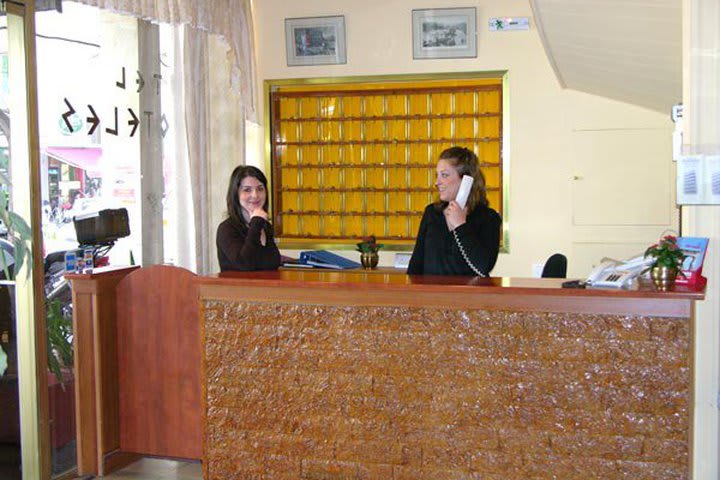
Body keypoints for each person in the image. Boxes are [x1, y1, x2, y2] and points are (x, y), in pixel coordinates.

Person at [407, 146, 501, 276]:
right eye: (437, 175)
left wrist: (460, 226)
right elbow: (415, 266)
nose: (437, 182)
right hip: (432, 295)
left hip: (468, 295)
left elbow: (483, 268)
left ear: (466, 181)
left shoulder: (488, 218)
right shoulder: (432, 213)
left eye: (444, 175)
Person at [216, 166, 281, 271]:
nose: (255, 195)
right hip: (237, 287)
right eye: (247, 190)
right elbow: (245, 264)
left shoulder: (265, 226)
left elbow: (273, 263)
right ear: (236, 194)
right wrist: (256, 223)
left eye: (260, 189)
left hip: (266, 287)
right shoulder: (227, 229)